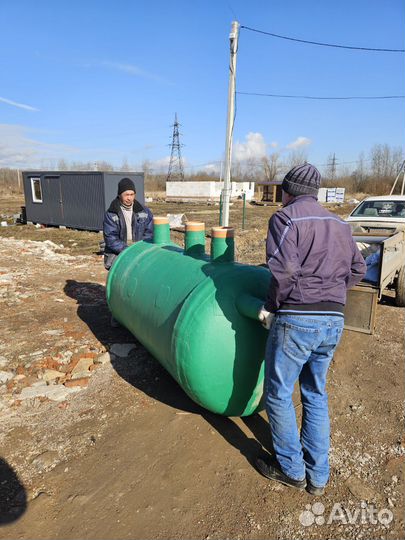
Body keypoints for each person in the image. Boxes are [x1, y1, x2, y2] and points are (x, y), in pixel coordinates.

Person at [256, 163, 366, 496]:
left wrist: (272, 306)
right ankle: (318, 476)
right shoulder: (340, 224)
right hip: (333, 320)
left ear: (288, 190)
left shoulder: (285, 218)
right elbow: (359, 268)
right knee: (315, 393)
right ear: (315, 192)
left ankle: (291, 470)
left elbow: (284, 270)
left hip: (298, 317)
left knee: (277, 393)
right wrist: (332, 294)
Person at [103, 177, 153, 271]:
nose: (129, 198)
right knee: (123, 277)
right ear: (119, 195)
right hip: (118, 253)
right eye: (126, 195)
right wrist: (128, 250)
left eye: (132, 194)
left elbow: (149, 233)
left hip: (139, 250)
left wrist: (140, 248)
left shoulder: (144, 212)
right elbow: (111, 239)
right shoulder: (111, 213)